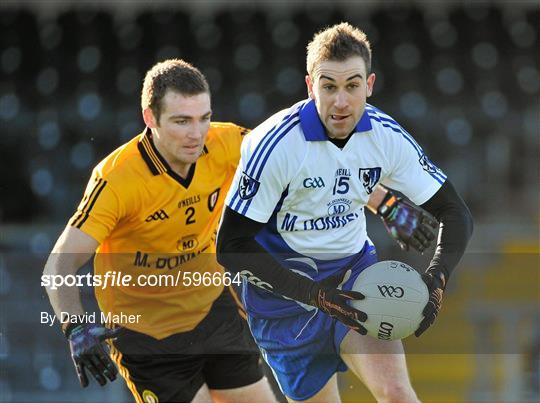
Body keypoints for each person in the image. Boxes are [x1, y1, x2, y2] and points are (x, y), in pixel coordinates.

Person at [217, 23, 473, 402]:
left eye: (352, 86)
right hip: (283, 301)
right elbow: (231, 247)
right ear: (310, 86)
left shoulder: (386, 136)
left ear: (369, 84)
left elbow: (455, 212)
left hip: (356, 277)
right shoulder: (275, 145)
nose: (341, 101)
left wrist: (437, 277)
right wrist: (314, 295)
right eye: (329, 86)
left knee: (397, 393)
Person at [42, 59, 277, 403]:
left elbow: (292, 159)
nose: (196, 134)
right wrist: (75, 328)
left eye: (204, 118)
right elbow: (58, 266)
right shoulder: (116, 179)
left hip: (213, 310)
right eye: (181, 121)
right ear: (150, 118)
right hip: (146, 337)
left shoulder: (227, 143)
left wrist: (382, 201)